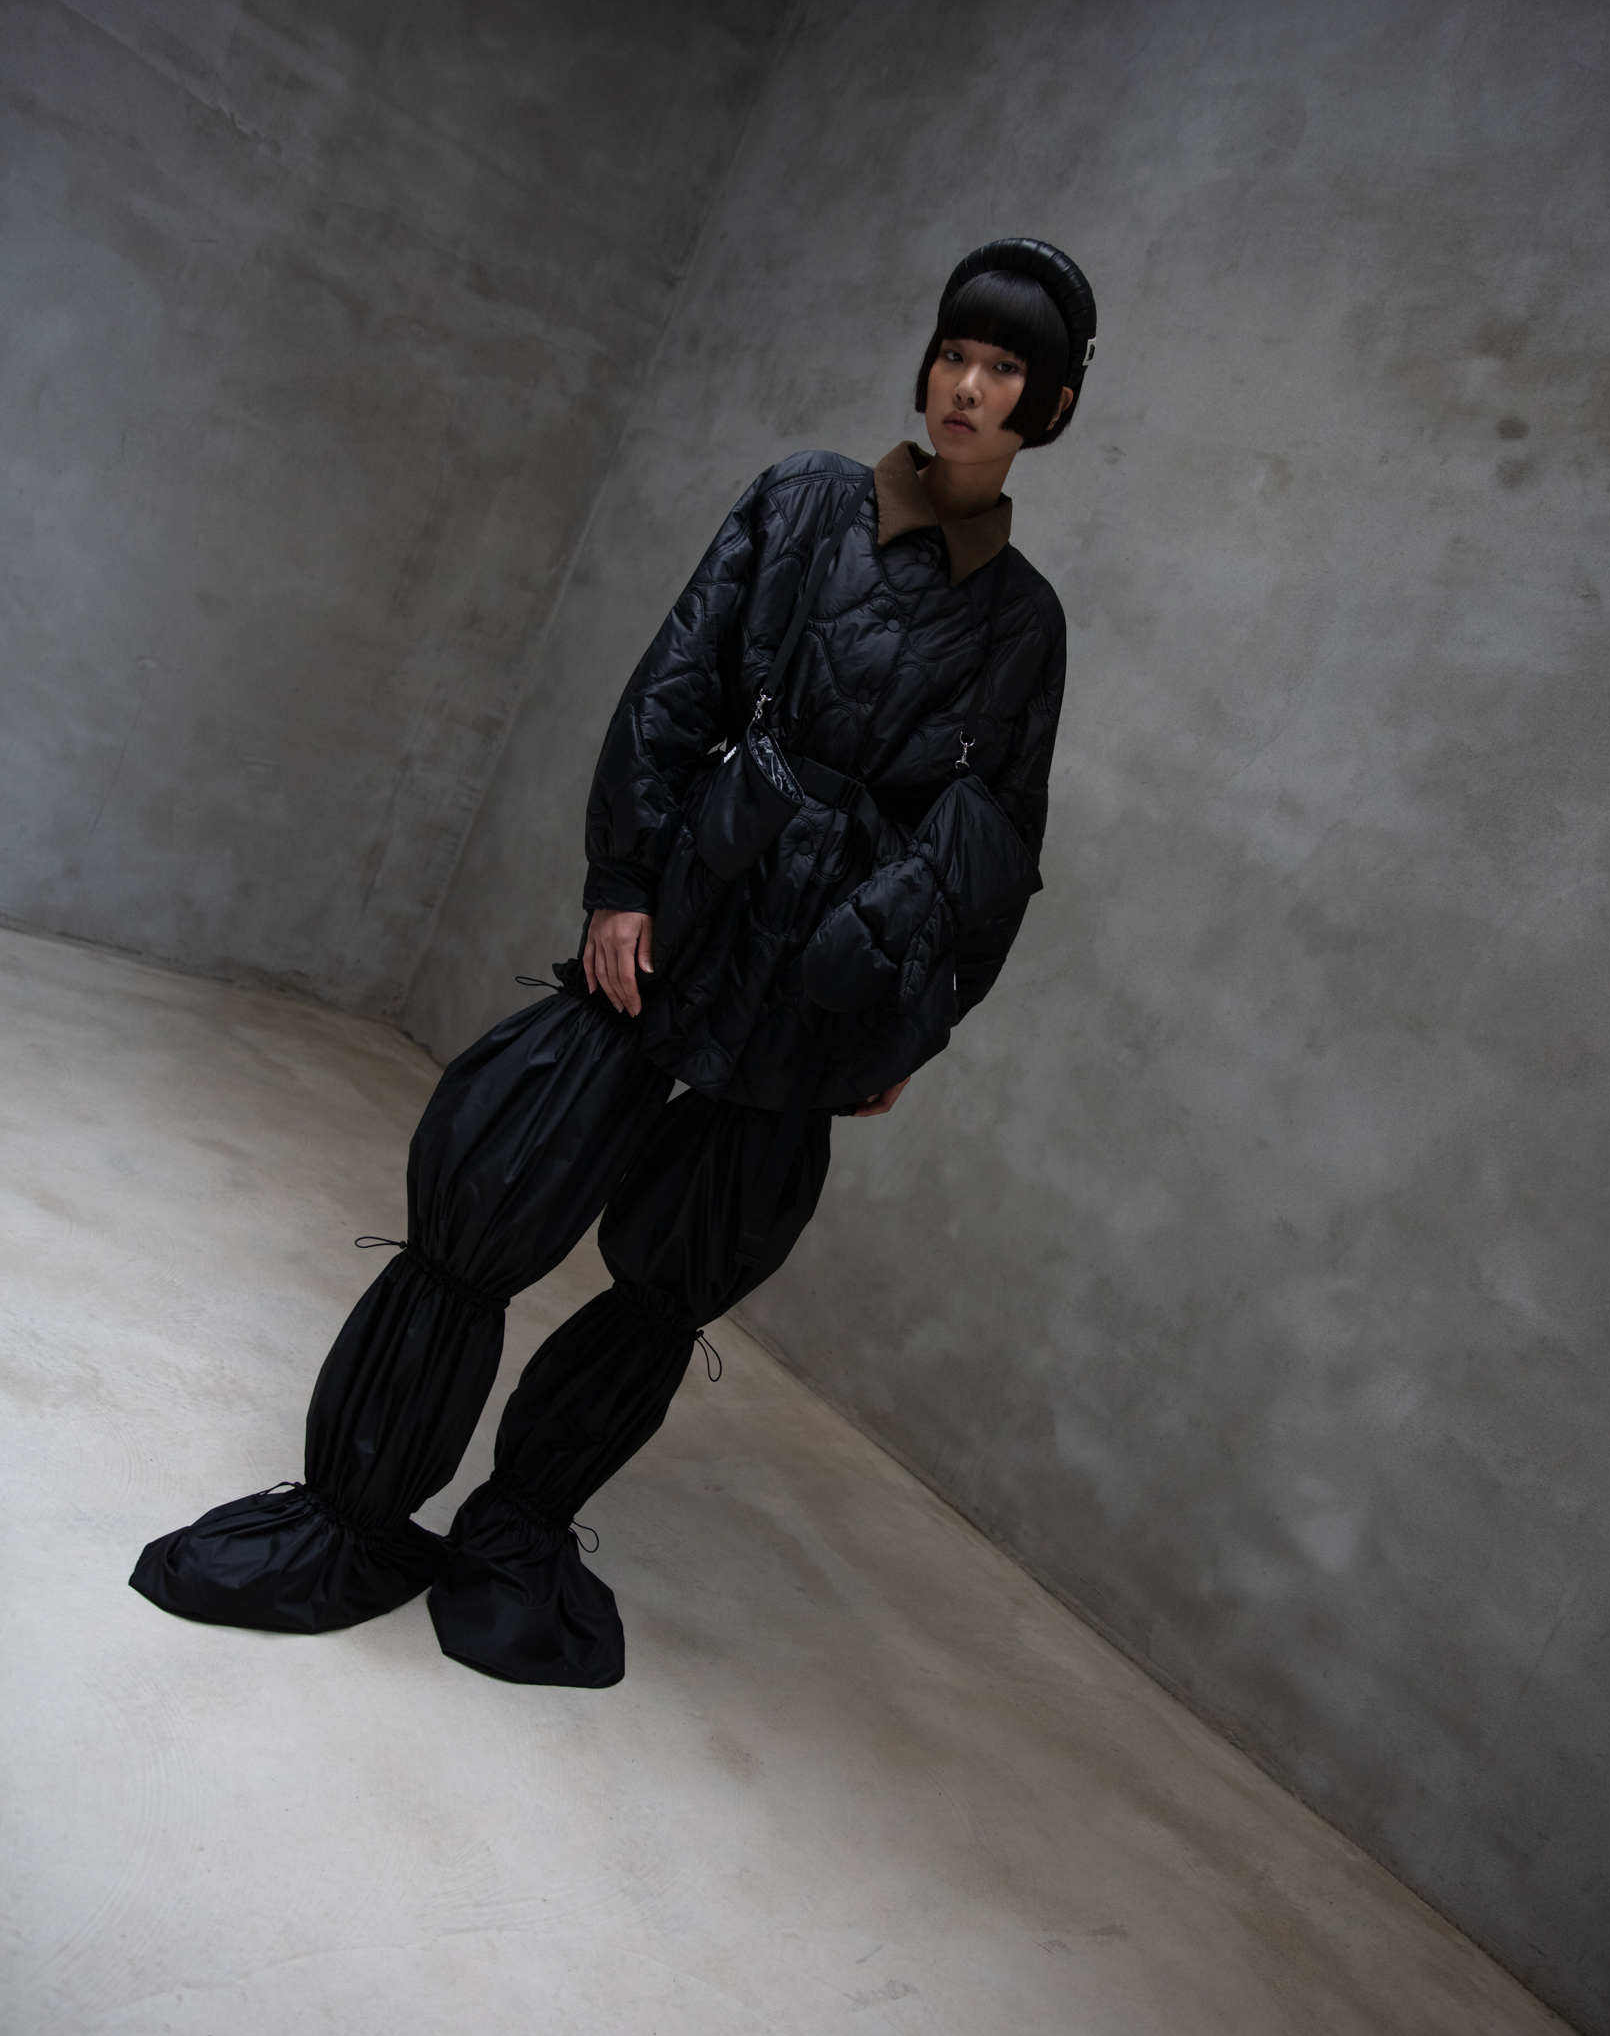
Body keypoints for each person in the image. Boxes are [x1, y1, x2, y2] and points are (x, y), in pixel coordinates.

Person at [131, 236, 1095, 1686]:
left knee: (681, 1272)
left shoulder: (1028, 624)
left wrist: (912, 1031)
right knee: (489, 1195)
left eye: (1003, 368)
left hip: (819, 993)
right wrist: (623, 883)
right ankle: (351, 1515)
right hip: (692, 915)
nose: (964, 385)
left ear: (1050, 405)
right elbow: (676, 686)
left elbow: (995, 849)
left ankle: (516, 1534)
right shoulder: (802, 497)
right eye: (953, 351)